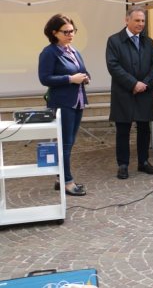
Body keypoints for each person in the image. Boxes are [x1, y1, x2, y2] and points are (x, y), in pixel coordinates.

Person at [106, 6, 153, 179]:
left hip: (145, 92)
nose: (140, 24)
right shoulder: (114, 41)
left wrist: (145, 83)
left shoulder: (148, 41)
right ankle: (123, 164)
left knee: (144, 129)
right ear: (127, 20)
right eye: (137, 20)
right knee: (123, 130)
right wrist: (133, 83)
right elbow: (113, 66)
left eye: (143, 21)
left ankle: (143, 162)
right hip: (124, 92)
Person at [38, 14, 90, 196]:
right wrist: (70, 79)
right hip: (62, 103)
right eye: (66, 32)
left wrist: (85, 76)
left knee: (69, 142)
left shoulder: (73, 51)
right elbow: (44, 78)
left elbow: (81, 70)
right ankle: (67, 181)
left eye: (72, 31)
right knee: (65, 144)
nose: (70, 34)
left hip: (77, 101)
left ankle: (60, 179)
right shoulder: (49, 52)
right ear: (54, 33)